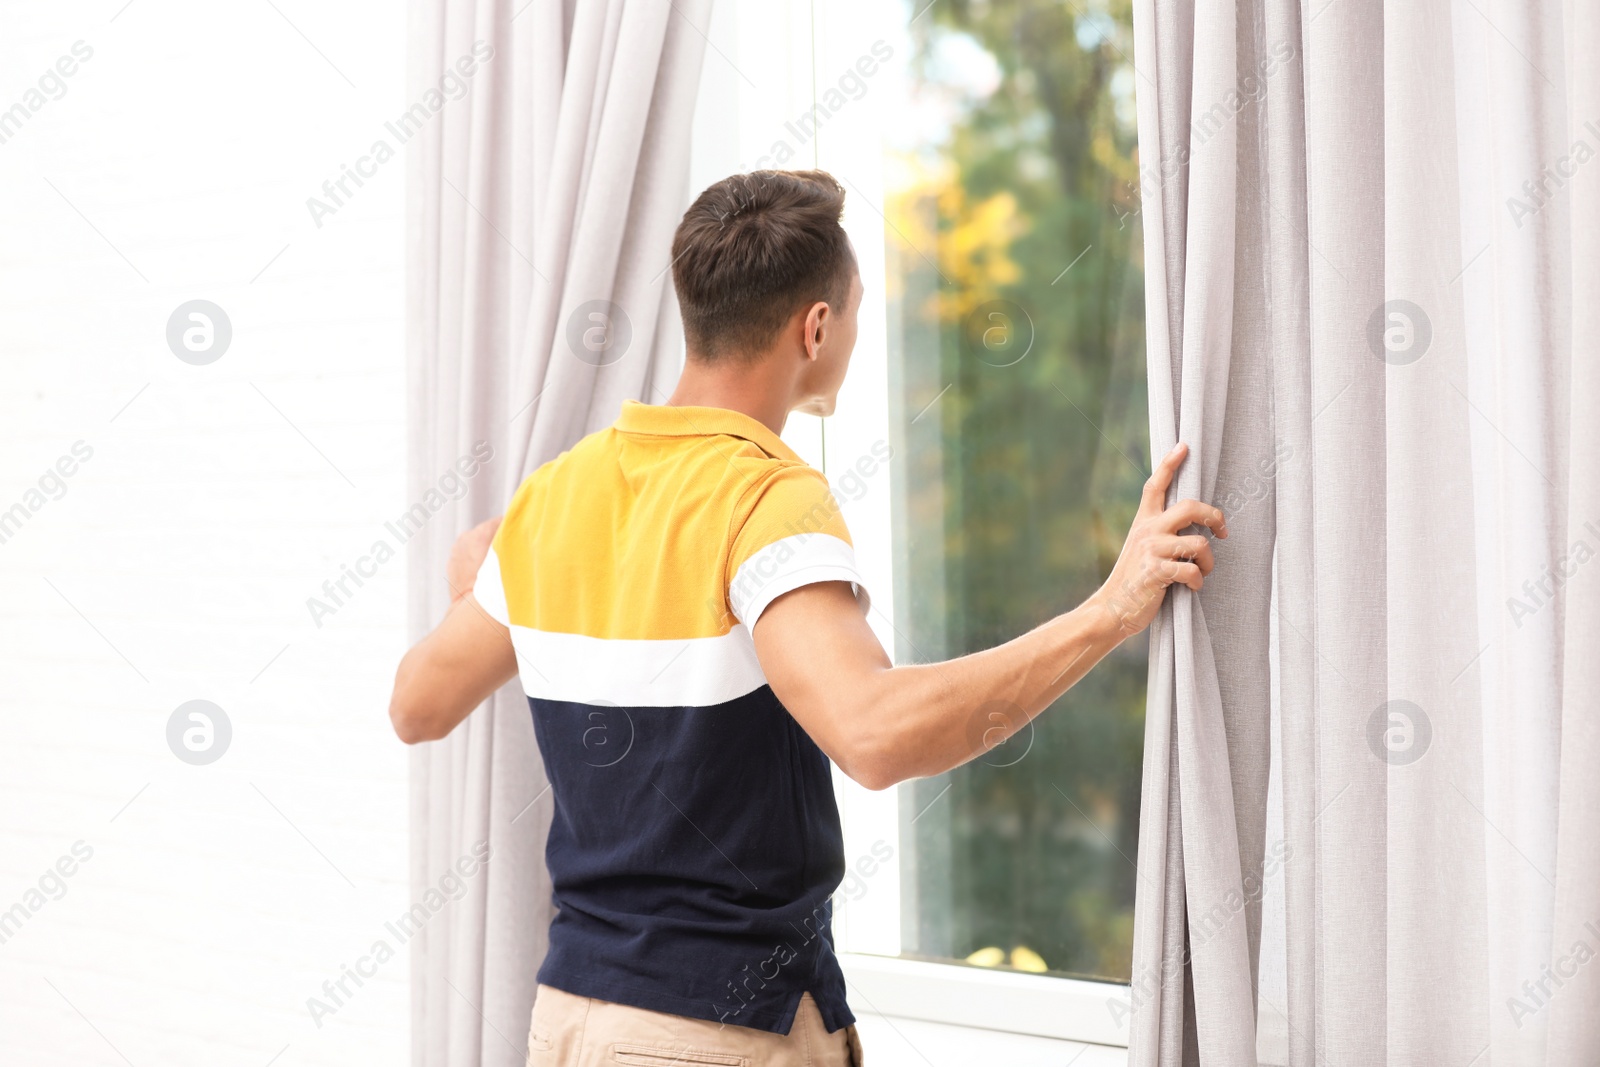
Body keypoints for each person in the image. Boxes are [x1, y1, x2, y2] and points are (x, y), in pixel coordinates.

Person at [388, 169, 1225, 1066]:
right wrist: (1110, 609)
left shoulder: (553, 497)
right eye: (857, 309)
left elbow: (416, 706)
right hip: (711, 1036)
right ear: (815, 327)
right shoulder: (765, 496)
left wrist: (476, 587)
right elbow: (876, 734)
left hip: (567, 1022)